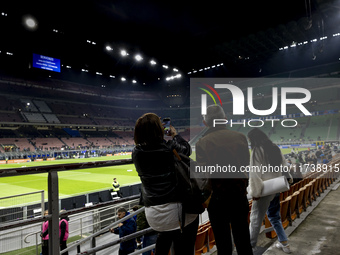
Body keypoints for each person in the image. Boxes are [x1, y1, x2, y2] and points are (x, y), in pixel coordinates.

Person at [132, 113, 199, 255]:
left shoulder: (136, 153)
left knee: (166, 235)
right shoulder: (169, 148)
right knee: (185, 238)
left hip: (153, 215)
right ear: (159, 130)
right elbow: (187, 150)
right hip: (178, 212)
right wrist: (174, 136)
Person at [195, 105, 253, 255]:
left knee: (223, 244)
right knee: (243, 240)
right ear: (225, 119)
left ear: (205, 123)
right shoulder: (241, 137)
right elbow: (246, 165)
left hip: (218, 200)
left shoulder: (203, 142)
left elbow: (203, 176)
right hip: (239, 196)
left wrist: (205, 198)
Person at [247, 128, 292, 254]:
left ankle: (250, 246)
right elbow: (284, 166)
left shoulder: (257, 149)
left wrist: (255, 192)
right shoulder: (274, 147)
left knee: (255, 218)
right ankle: (285, 244)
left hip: (264, 189)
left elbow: (255, 173)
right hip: (276, 187)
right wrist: (289, 179)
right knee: (274, 217)